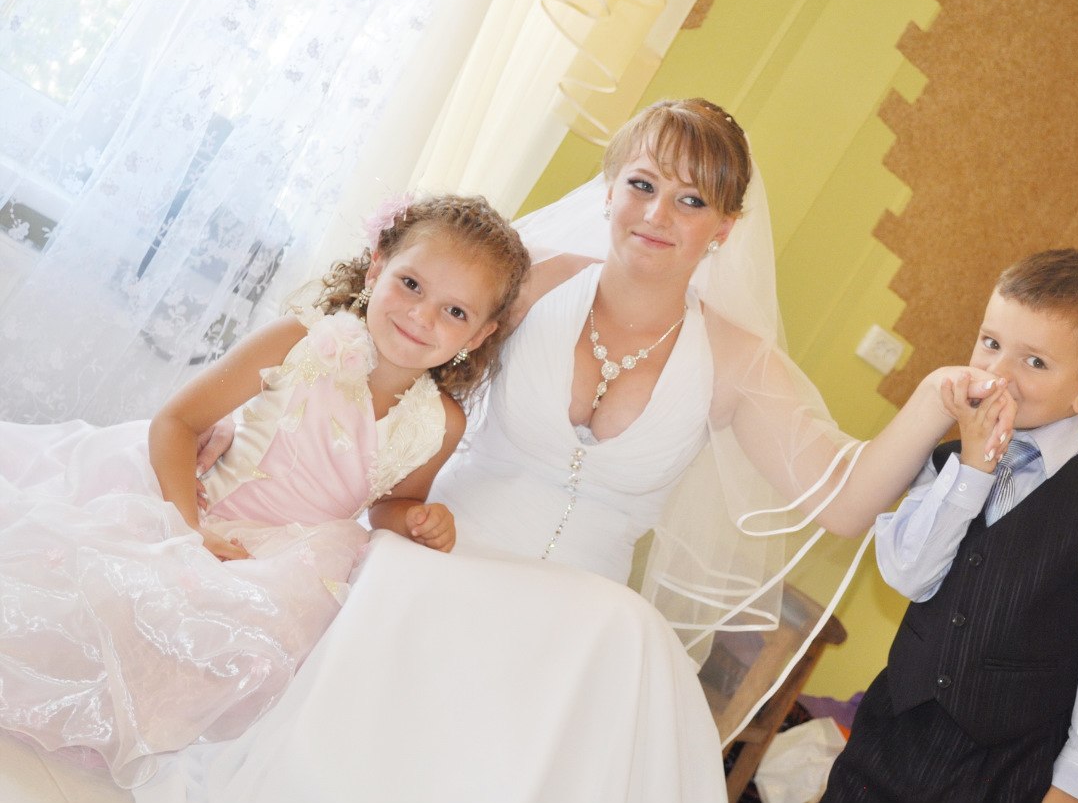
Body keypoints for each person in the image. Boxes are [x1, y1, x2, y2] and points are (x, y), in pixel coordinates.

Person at [143, 98, 1014, 803]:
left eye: (691, 201)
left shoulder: (740, 365)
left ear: (725, 227)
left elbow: (846, 502)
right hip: (441, 552)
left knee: (623, 634)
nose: (657, 214)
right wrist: (257, 422)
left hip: (577, 616)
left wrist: (934, 403)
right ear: (608, 188)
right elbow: (393, 337)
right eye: (642, 184)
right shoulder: (530, 282)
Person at [0, 194, 530, 788]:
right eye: (411, 284)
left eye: (455, 311)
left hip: (285, 557)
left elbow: (391, 502)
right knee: (102, 589)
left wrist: (416, 519)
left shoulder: (440, 422)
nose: (422, 316)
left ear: (481, 333)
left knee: (236, 639)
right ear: (376, 267)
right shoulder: (299, 341)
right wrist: (186, 528)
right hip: (193, 508)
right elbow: (177, 422)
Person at [819, 249, 1078, 803]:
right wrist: (973, 469)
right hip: (886, 747)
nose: (998, 373)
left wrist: (1076, 783)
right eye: (990, 343)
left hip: (1005, 774)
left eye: (1035, 362)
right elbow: (908, 575)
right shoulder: (945, 462)